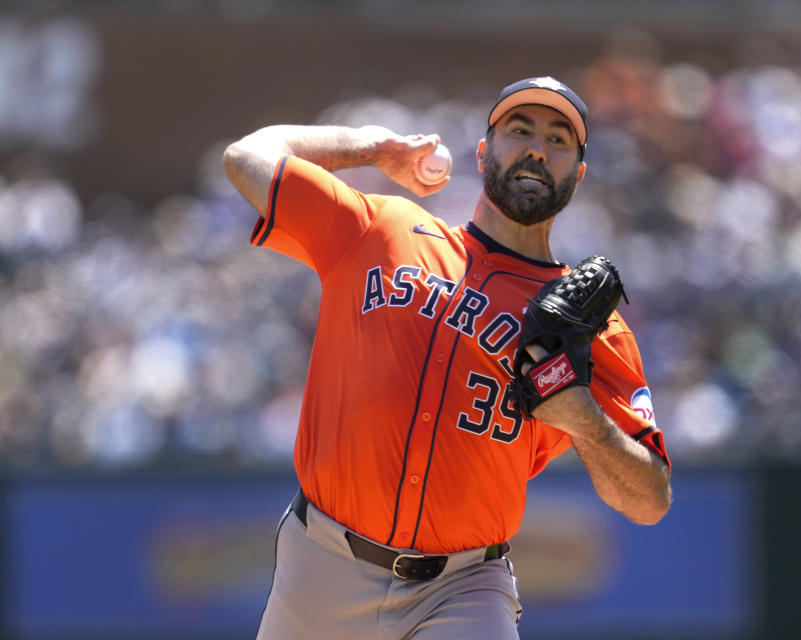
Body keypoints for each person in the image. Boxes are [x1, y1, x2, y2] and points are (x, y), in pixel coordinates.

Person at [223, 76, 672, 640]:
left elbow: (650, 500)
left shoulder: (590, 327)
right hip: (321, 566)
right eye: (520, 129)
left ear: (577, 175)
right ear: (483, 151)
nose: (537, 147)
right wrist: (373, 148)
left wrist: (583, 418)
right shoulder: (381, 229)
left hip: (463, 590)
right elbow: (247, 157)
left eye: (559, 139)